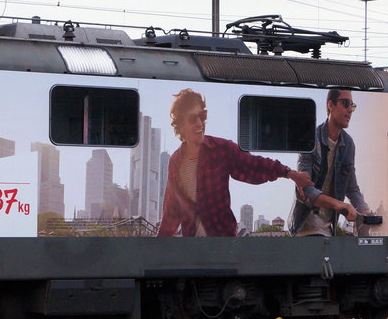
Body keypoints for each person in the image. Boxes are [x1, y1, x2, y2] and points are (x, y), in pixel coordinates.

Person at [158, 89, 312, 237]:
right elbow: (172, 211)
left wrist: (288, 173)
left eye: (202, 116)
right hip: (192, 249)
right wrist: (153, 251)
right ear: (181, 125)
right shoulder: (175, 162)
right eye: (193, 118)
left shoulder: (221, 149)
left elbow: (253, 165)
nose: (200, 123)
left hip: (223, 244)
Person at [290, 87, 370, 236]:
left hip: (329, 229)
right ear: (330, 105)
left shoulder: (348, 144)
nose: (350, 110)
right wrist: (339, 204)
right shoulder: (311, 139)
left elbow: (352, 188)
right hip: (304, 229)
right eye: (345, 103)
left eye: (352, 105)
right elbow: (306, 190)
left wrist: (366, 211)